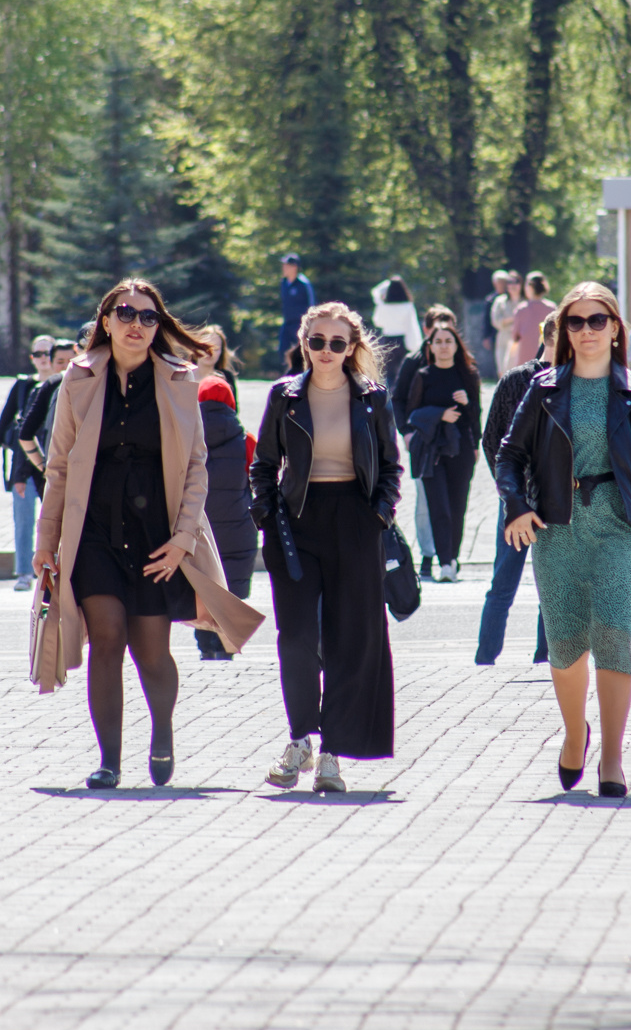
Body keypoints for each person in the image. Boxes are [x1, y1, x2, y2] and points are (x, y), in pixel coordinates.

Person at [32, 282, 260, 790]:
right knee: (107, 636)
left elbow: (197, 466)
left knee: (151, 648)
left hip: (157, 531)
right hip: (92, 527)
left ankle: (162, 733)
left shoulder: (180, 379)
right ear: (106, 320)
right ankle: (109, 759)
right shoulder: (78, 378)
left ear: (159, 327)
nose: (137, 324)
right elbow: (60, 466)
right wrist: (45, 541)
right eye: (125, 313)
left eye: (148, 317)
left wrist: (182, 540)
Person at [497, 283, 631, 797]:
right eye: (575, 322)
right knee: (565, 646)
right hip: (558, 532)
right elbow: (508, 456)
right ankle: (575, 732)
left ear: (616, 327)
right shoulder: (544, 388)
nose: (586, 331)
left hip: (620, 528)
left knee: (613, 636)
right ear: (564, 330)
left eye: (597, 320)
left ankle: (613, 758)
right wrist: (518, 507)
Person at [250, 301, 402, 794]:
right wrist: (266, 517)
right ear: (304, 342)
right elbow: (263, 465)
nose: (326, 351)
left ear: (352, 347)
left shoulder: (373, 399)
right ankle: (300, 739)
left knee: (347, 640)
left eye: (338, 343)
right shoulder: (285, 396)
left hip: (356, 523)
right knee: (294, 637)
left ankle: (332, 752)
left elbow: (391, 468)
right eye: (317, 341)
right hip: (296, 522)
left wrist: (379, 515)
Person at [475, 315, 553, 665]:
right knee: (503, 585)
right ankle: (485, 658)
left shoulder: (581, 381)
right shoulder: (516, 380)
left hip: (557, 502)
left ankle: (547, 657)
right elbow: (492, 440)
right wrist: (511, 492)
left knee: (552, 588)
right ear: (547, 336)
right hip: (518, 501)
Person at [397, 312, 481, 582]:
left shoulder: (468, 374)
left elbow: (476, 414)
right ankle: (444, 562)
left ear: (457, 345)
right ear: (430, 346)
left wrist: (467, 407)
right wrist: (438, 414)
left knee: (458, 505)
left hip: (461, 448)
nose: (444, 345)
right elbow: (412, 412)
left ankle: (452, 558)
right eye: (438, 341)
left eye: (449, 340)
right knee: (438, 505)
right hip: (431, 448)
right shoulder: (422, 374)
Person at [194, 373, 256, 661]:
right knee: (231, 591)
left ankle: (206, 646)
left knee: (203, 589)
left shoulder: (187, 439)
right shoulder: (247, 441)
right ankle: (226, 648)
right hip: (238, 531)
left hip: (199, 531)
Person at [0, 335, 59, 589]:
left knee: (54, 521)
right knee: (23, 519)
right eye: (37, 354)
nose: (42, 359)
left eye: (47, 353)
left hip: (53, 464)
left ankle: (53, 571)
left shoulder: (61, 386)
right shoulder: (24, 387)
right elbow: (7, 421)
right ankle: (24, 573)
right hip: (24, 465)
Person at [16, 339, 75, 483]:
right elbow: (25, 433)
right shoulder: (51, 385)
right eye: (60, 362)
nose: (66, 366)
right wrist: (44, 468)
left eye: (71, 361)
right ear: (51, 363)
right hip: (57, 472)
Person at [369, 275, 423, 392]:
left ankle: (390, 399)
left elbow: (377, 321)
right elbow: (412, 325)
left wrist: (384, 289)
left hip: (387, 341)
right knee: (404, 371)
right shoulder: (408, 306)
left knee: (388, 374)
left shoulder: (384, 306)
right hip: (403, 341)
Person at [507, 272, 553, 370]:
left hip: (525, 361)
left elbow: (515, 336)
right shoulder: (552, 308)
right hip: (546, 361)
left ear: (530, 287)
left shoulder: (521, 309)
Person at [276, 254, 315, 357]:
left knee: (301, 353)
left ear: (294, 267)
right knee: (283, 351)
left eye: (286, 266)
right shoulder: (284, 283)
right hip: (287, 323)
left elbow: (311, 304)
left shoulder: (303, 284)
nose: (283, 268)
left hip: (300, 324)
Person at [488, 271, 519, 375]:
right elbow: (495, 321)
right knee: (503, 370)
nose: (513, 286)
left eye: (516, 282)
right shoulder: (500, 301)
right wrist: (512, 318)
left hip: (520, 339)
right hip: (504, 338)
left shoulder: (526, 301)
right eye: (510, 283)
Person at [476, 271, 508, 369]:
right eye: (499, 282)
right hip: (494, 333)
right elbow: (486, 319)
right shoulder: (490, 300)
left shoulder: (510, 297)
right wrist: (486, 336)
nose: (502, 284)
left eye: (503, 282)